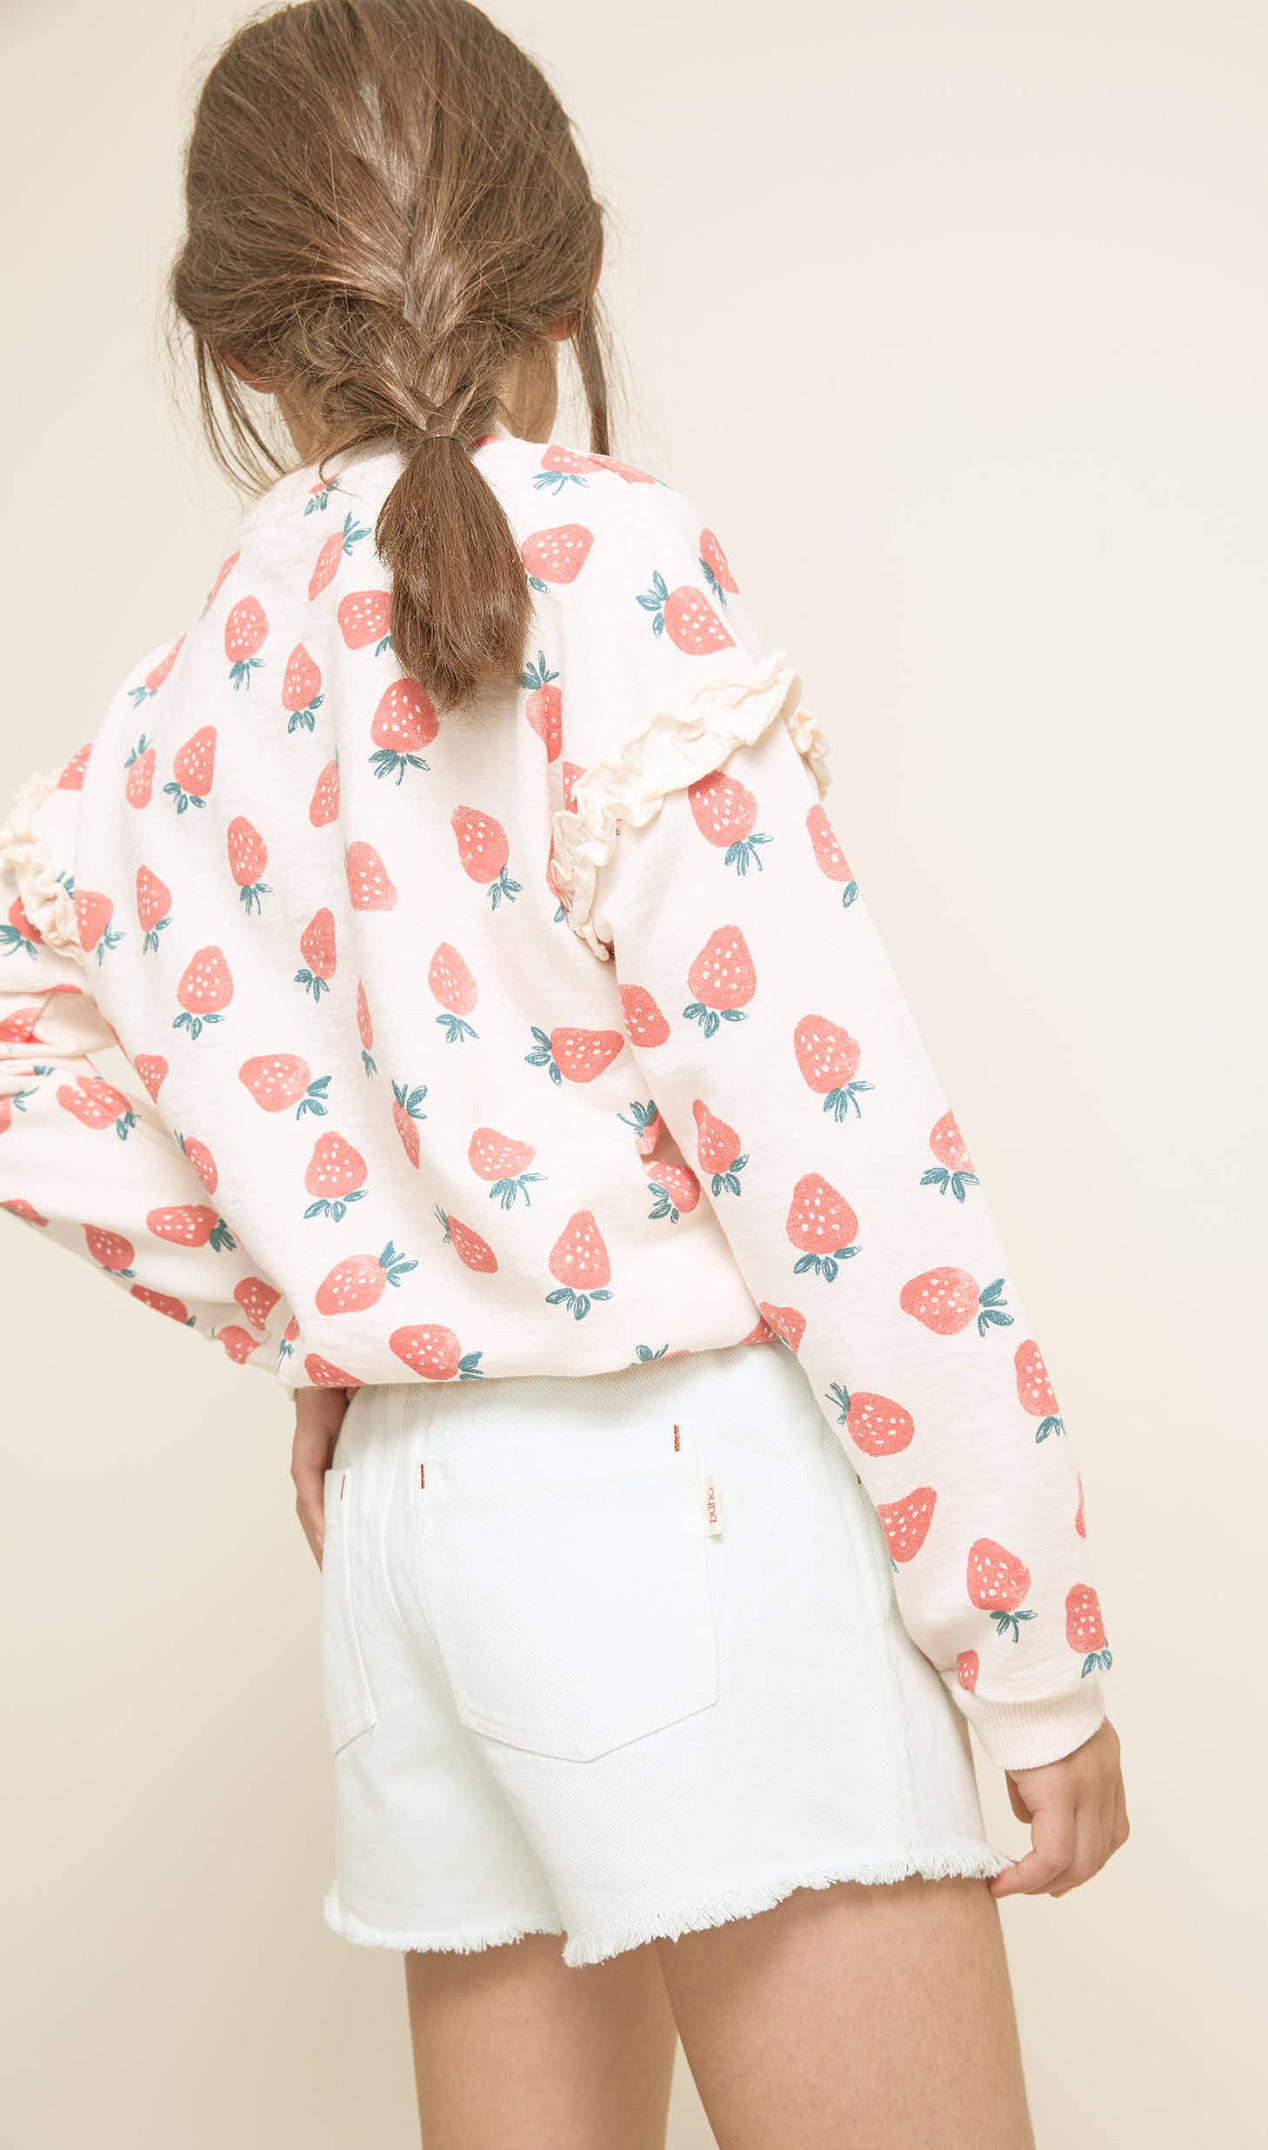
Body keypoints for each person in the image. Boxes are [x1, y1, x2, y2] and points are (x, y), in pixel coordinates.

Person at [0, 1, 1127, 2141]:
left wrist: (346, 1299)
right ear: (569, 268)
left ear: (235, 340)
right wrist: (1028, 1637)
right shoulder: (608, 563)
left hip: (417, 1530)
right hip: (679, 1489)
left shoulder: (197, 678)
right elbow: (833, 1146)